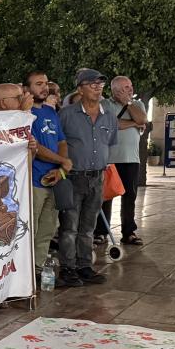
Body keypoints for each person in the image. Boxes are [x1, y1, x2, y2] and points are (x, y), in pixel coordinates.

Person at [56, 69, 117, 287]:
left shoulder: (108, 115)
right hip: (73, 177)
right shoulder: (66, 114)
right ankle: (68, 268)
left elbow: (108, 143)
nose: (97, 87)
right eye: (92, 84)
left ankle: (84, 266)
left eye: (100, 84)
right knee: (70, 226)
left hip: (97, 177)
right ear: (80, 88)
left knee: (88, 227)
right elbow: (57, 144)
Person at [24, 72, 72, 263]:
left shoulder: (50, 112)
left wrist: (61, 169)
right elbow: (37, 147)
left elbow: (61, 141)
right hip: (34, 181)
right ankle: (26, 275)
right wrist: (63, 161)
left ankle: (38, 268)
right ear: (27, 89)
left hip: (54, 178)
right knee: (30, 230)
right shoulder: (24, 116)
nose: (44, 88)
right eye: (38, 84)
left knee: (47, 230)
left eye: (45, 83)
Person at [98, 75, 147, 245]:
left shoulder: (137, 104)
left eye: (131, 86)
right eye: (126, 87)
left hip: (131, 159)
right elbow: (112, 124)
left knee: (130, 196)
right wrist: (133, 123)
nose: (131, 89)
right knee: (106, 196)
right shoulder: (105, 104)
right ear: (116, 90)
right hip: (109, 159)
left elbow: (141, 119)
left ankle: (129, 232)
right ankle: (101, 231)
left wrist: (128, 103)